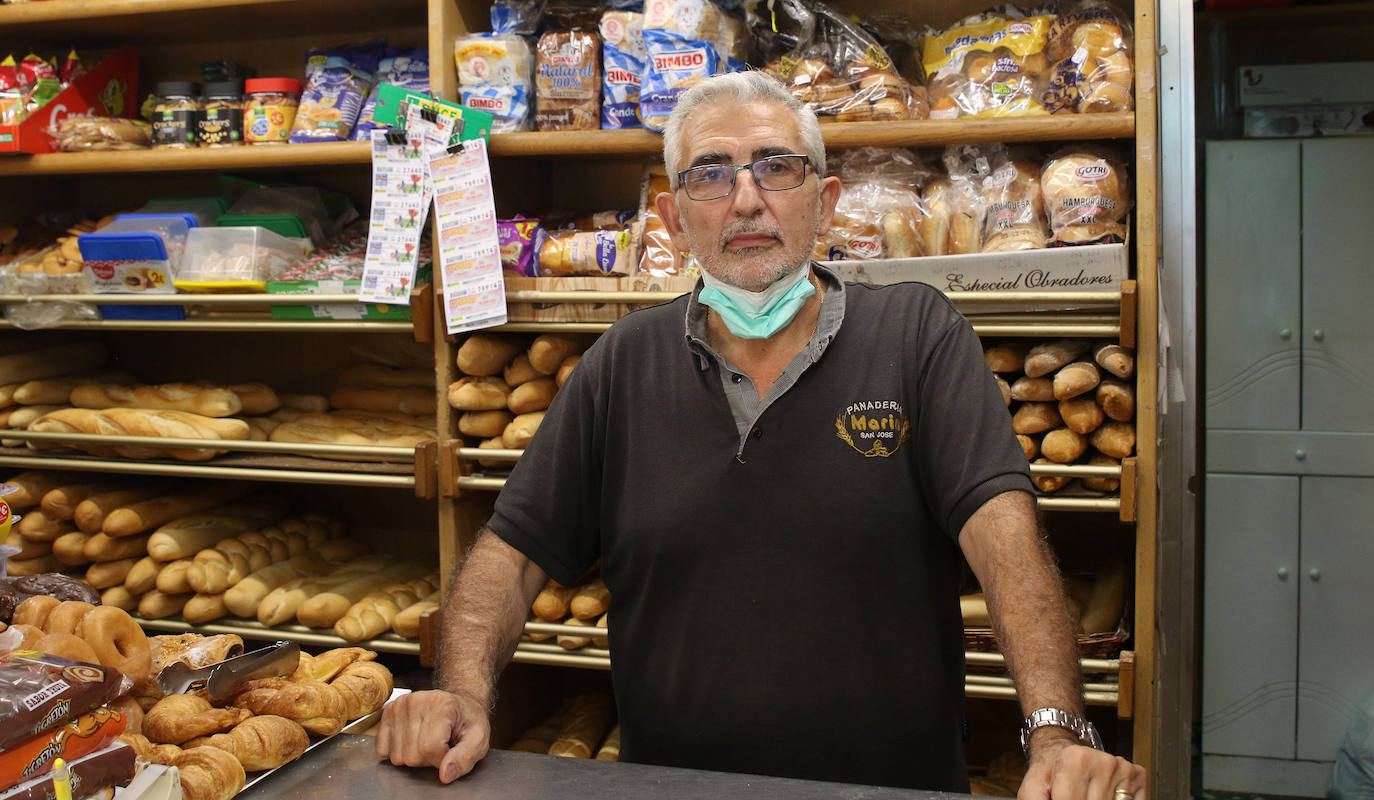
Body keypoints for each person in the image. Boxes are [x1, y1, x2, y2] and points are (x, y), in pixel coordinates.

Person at [377, 70, 1149, 798]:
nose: (746, 199)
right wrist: (460, 692)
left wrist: (1055, 731)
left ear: (825, 197)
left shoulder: (915, 334)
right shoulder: (623, 363)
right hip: (673, 790)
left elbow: (1004, 538)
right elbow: (508, 558)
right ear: (676, 219)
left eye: (776, 168)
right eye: (710, 173)